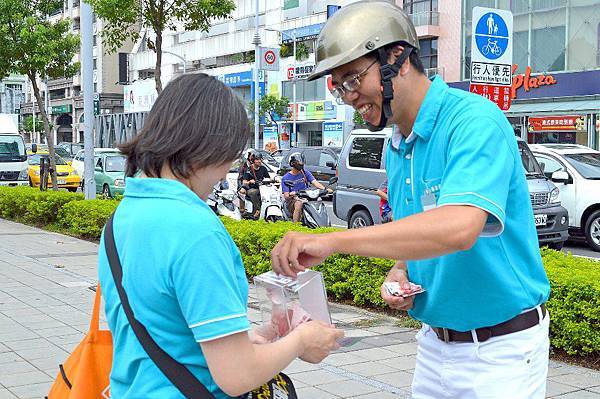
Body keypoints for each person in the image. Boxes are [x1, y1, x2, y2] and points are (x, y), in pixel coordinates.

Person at [270, 2, 550, 398]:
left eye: (352, 79)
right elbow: (419, 234)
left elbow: (459, 226)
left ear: (397, 58)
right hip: (434, 344)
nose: (349, 97)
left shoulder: (473, 122)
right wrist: (400, 272)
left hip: (500, 350)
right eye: (338, 86)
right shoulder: (397, 147)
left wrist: (331, 241)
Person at [98, 74, 342, 399]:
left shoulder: (121, 218)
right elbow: (236, 375)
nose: (229, 167)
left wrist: (263, 336)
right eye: (231, 153)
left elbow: (170, 332)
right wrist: (302, 340)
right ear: (209, 145)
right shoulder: (195, 230)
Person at [281, 152, 328, 223]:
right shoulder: (286, 178)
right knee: (299, 204)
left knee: (319, 200)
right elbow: (286, 195)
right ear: (292, 163)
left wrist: (325, 189)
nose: (300, 164)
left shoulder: (305, 173)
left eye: (301, 161)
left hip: (306, 196)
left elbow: (315, 183)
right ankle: (295, 225)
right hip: (294, 200)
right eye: (298, 162)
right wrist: (291, 194)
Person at [242, 152, 270, 219]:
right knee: (252, 192)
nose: (259, 161)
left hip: (262, 188)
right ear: (253, 161)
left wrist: (273, 180)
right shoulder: (248, 169)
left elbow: (268, 178)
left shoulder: (263, 169)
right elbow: (244, 182)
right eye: (257, 159)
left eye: (260, 159)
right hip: (252, 188)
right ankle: (258, 209)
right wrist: (249, 181)